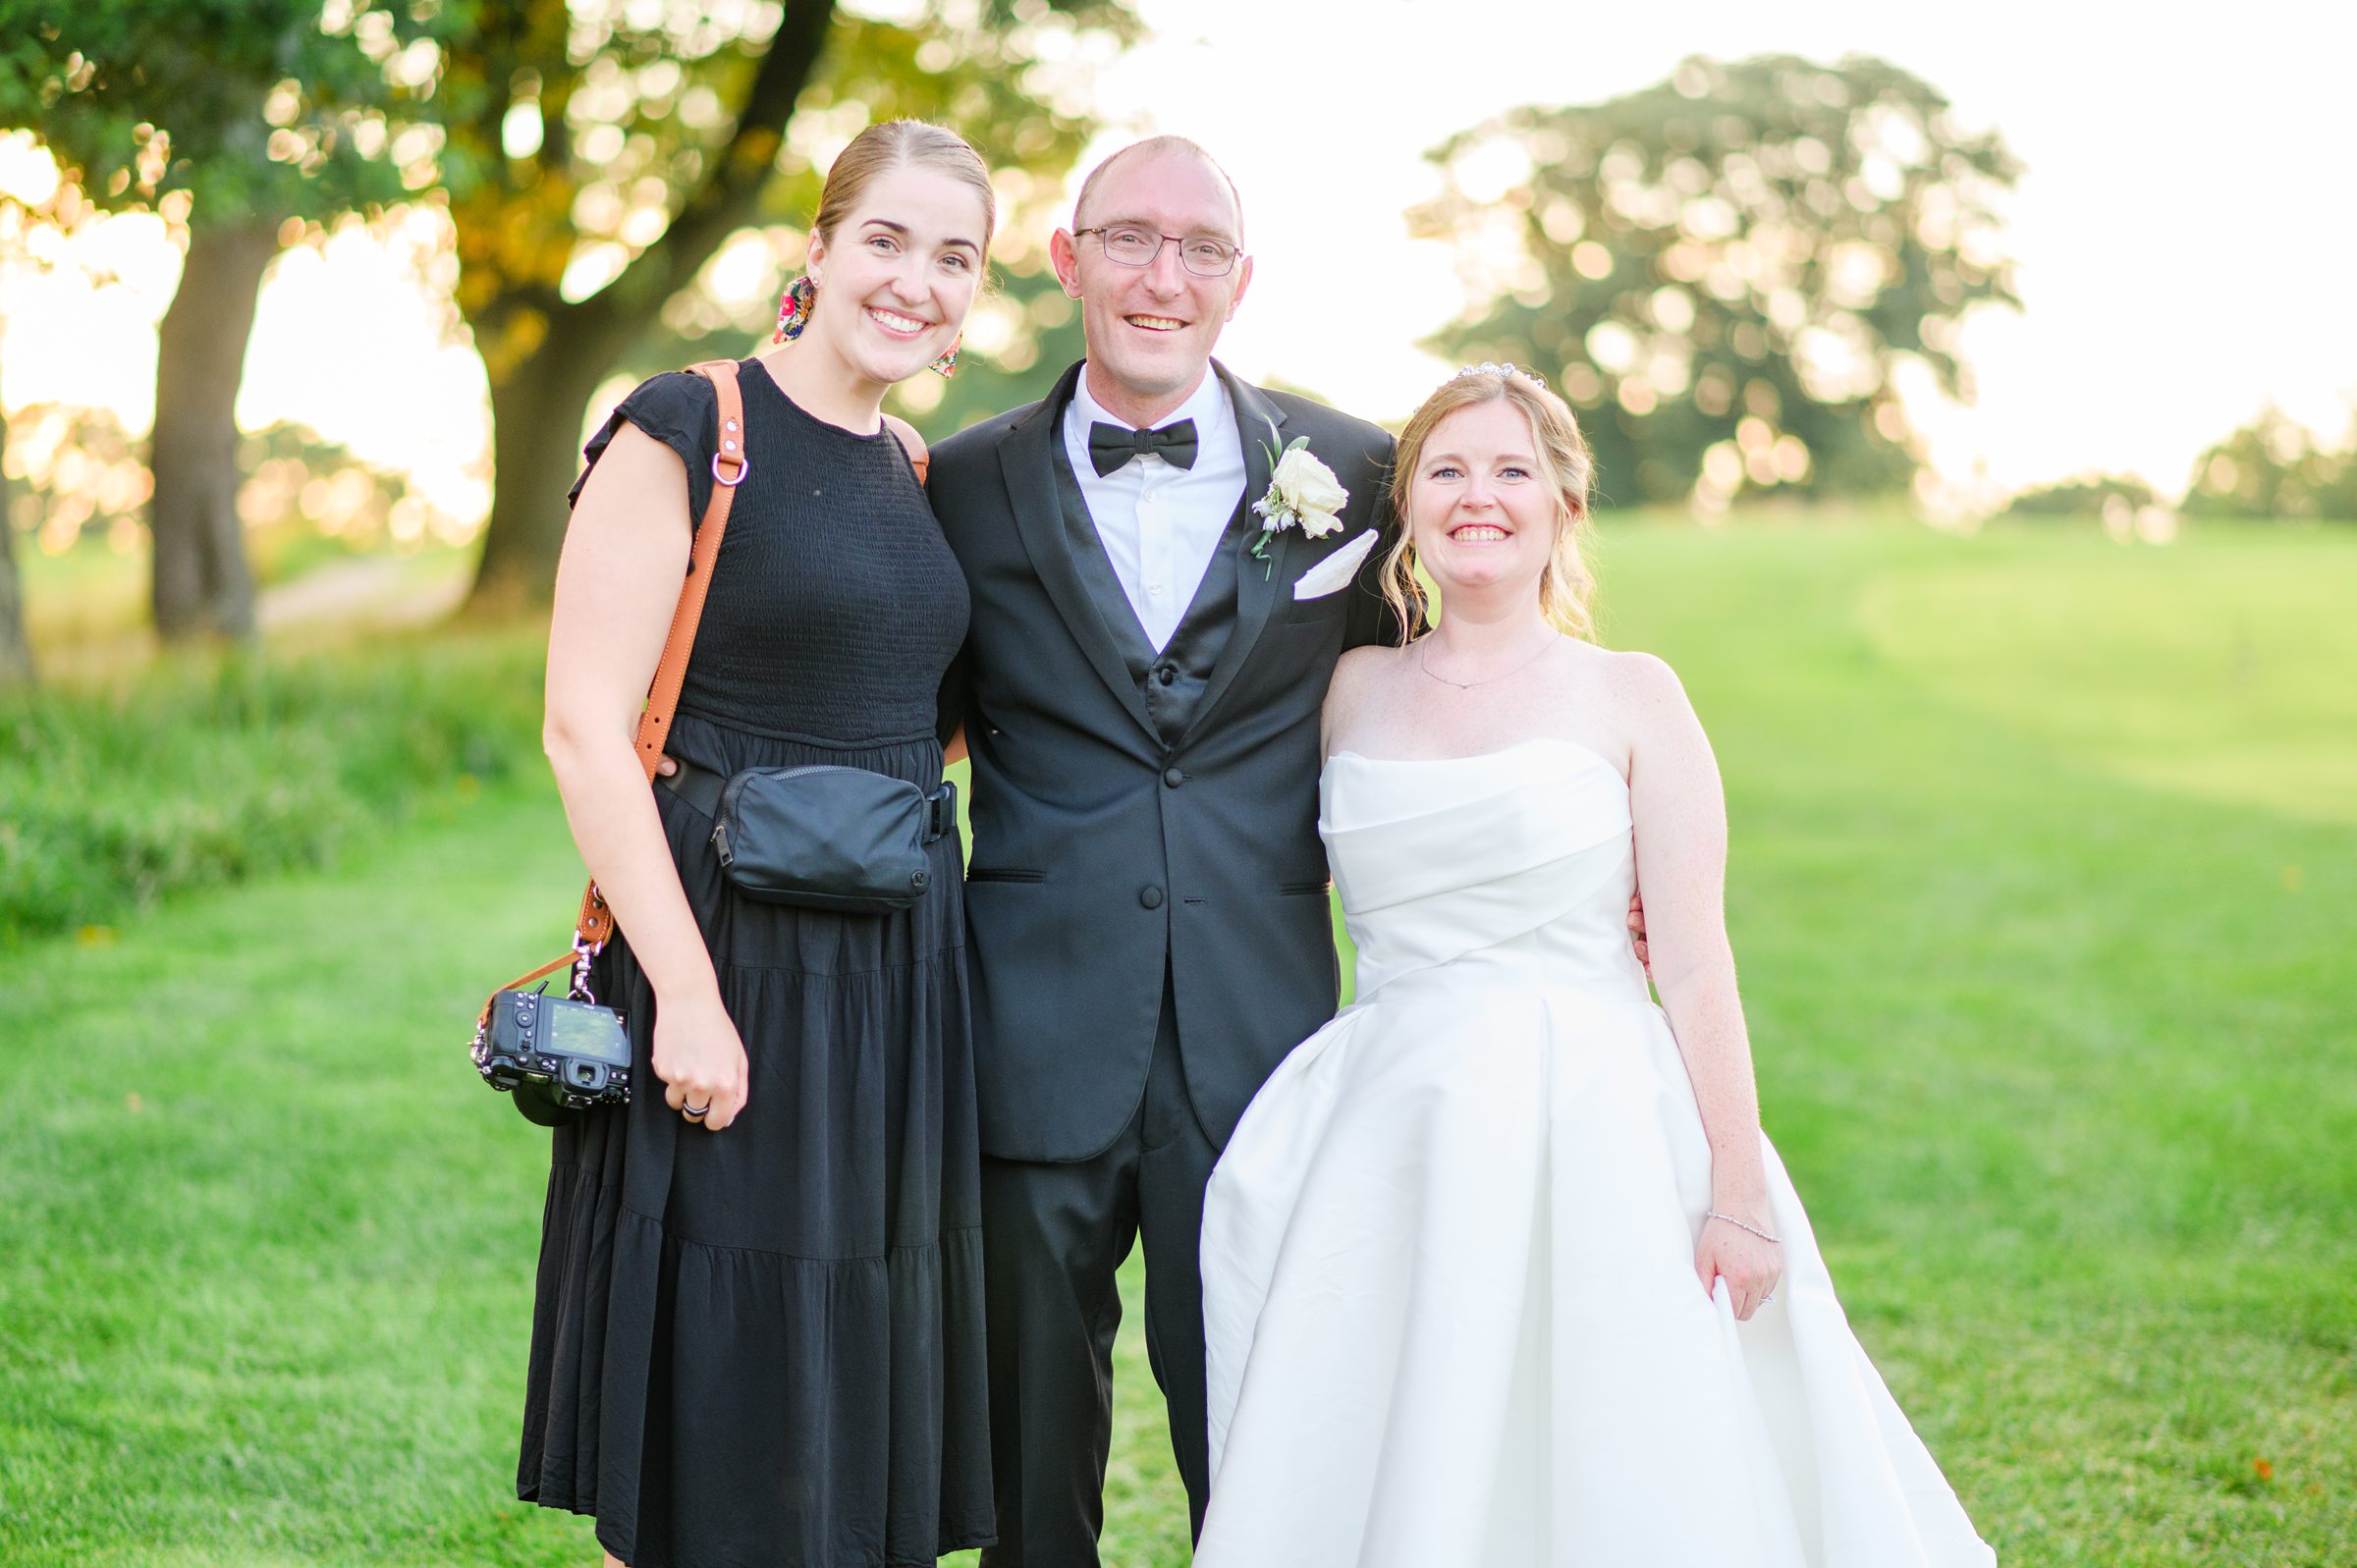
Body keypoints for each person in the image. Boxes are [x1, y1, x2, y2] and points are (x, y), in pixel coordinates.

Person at [1190, 363, 1997, 1567]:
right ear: (1406, 507)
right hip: (1396, 1121)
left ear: (1565, 505)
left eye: (1514, 470)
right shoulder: (1348, 689)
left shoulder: (1633, 696)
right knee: (1408, 1436)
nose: (1480, 496)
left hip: (1599, 1115)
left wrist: (1737, 1184)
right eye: (1448, 471)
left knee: (1618, 1439)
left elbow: (1696, 958)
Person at [923, 135, 1407, 1564]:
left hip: (1257, 1041)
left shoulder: (1356, 471)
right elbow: (895, 718)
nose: (1163, 274)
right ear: (1067, 261)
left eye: (1200, 248)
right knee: (1023, 1455)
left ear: (1240, 282)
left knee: (1264, 1436)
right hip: (1026, 1029)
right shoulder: (955, 485)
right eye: (1128, 238)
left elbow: (1445, 689)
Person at [521, 120, 997, 1568]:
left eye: (954, 256)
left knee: (855, 1374)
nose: (918, 280)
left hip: (899, 973)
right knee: (710, 1393)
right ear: (820, 244)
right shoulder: (686, 425)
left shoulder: (913, 464)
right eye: (888, 239)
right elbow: (587, 733)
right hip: (728, 954)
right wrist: (693, 1000)